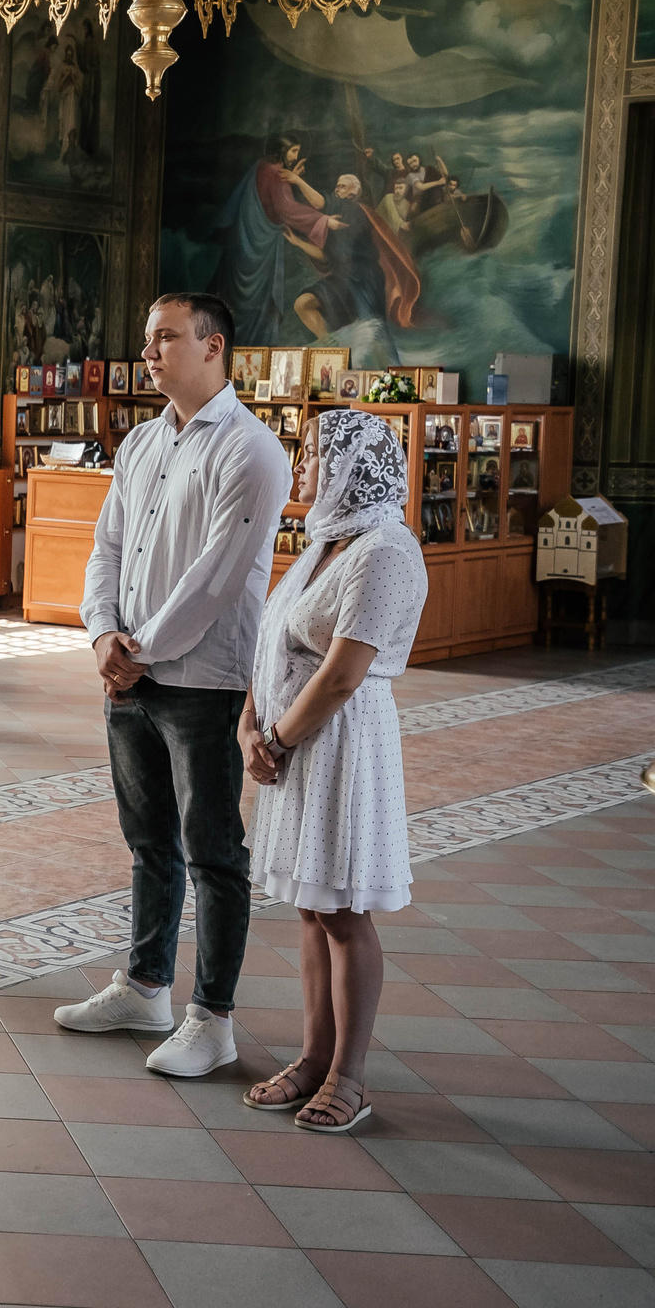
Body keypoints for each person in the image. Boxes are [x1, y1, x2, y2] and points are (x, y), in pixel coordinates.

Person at [57, 292, 292, 1077]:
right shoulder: (143, 442)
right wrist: (102, 635)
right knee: (148, 841)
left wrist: (141, 648)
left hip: (204, 681)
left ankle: (212, 1018)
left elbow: (219, 577)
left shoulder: (251, 450)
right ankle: (146, 984)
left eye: (165, 338)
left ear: (213, 345)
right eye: (147, 336)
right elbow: (107, 546)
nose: (148, 351)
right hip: (131, 674)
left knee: (214, 852)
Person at [238, 411, 428, 1134]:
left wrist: (277, 736)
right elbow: (274, 636)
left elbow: (346, 669)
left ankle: (350, 1076)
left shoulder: (386, 549)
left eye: (319, 452)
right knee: (313, 904)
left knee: (345, 908)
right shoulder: (324, 541)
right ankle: (314, 1057)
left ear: (357, 466)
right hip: (292, 739)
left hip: (342, 741)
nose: (306, 463)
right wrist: (248, 723)